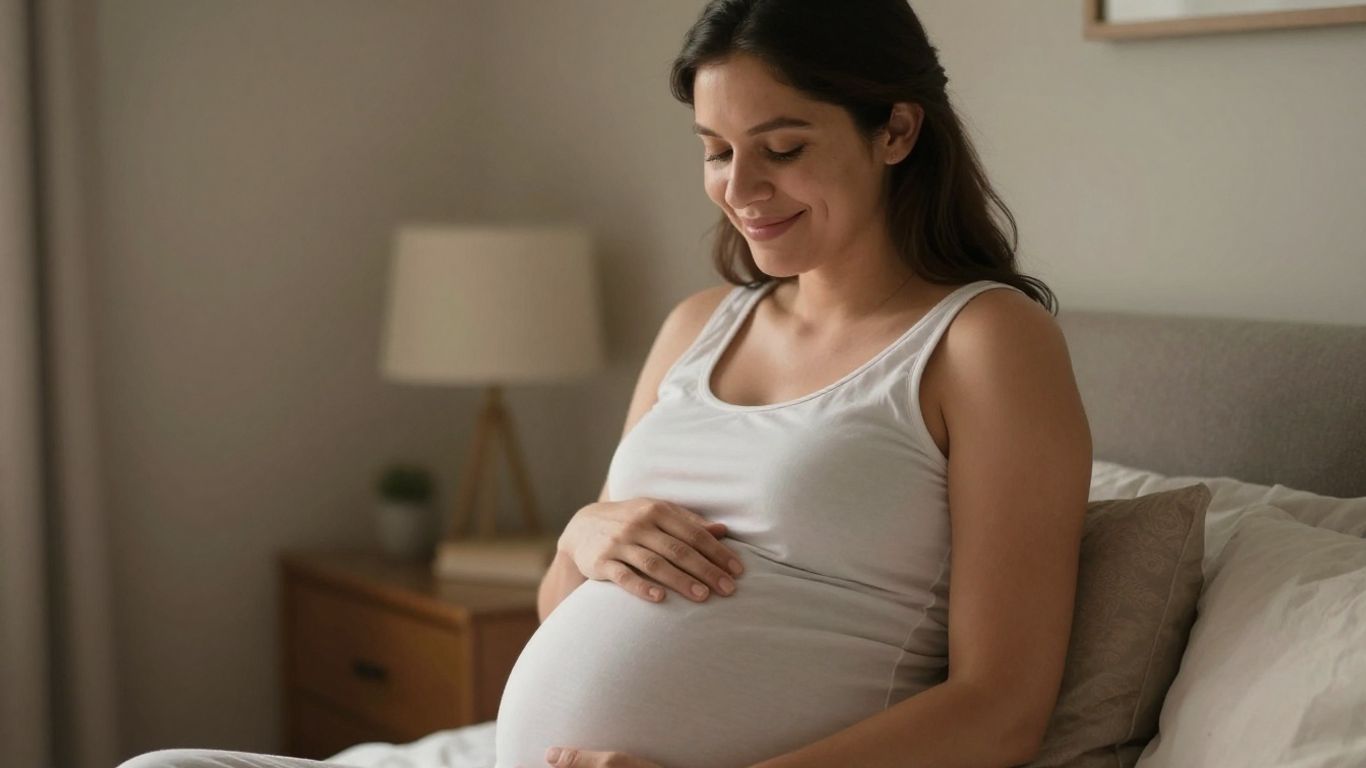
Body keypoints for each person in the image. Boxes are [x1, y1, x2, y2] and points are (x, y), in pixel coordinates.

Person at [119, 1, 1091, 767]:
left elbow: (998, 710)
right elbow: (560, 602)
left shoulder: (981, 343)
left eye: (783, 147)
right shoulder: (697, 326)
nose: (740, 188)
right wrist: (583, 532)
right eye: (716, 150)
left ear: (896, 130)